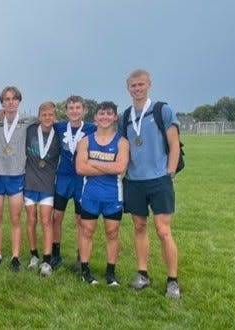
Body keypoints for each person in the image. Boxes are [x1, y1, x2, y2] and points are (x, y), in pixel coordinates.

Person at [119, 69, 181, 298]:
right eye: (133, 85)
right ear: (128, 87)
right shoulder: (124, 116)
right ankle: (142, 273)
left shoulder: (161, 110)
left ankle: (172, 280)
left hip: (159, 180)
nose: (137, 89)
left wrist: (169, 173)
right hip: (134, 181)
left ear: (149, 85)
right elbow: (124, 147)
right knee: (139, 227)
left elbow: (174, 145)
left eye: (141, 84)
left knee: (163, 231)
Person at [75, 101, 129, 286]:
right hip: (90, 194)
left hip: (112, 195)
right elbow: (81, 168)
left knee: (112, 233)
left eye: (109, 114)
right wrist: (109, 167)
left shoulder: (122, 142)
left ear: (115, 117)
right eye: (101, 113)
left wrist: (94, 162)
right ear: (95, 117)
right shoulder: (85, 141)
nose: (105, 117)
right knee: (86, 231)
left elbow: (120, 167)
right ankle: (85, 271)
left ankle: (110, 273)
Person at [0, 86, 35, 272]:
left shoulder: (28, 120)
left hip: (16, 175)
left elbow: (47, 120)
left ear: (19, 101)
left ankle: (15, 256)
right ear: (2, 102)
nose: (10, 102)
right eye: (6, 99)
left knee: (15, 218)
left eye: (14, 99)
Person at [51, 95, 96, 270]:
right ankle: (55, 254)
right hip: (63, 178)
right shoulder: (60, 126)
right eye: (71, 108)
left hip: (81, 180)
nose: (74, 111)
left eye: (78, 108)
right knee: (56, 217)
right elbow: (42, 120)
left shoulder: (92, 128)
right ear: (66, 110)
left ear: (84, 110)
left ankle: (80, 256)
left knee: (80, 220)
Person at [23, 101, 59, 276]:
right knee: (31, 219)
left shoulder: (58, 133)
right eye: (44, 115)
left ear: (55, 116)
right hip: (29, 183)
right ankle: (34, 255)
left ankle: (46, 260)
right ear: (39, 117)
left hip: (47, 184)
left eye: (51, 115)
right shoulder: (30, 130)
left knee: (46, 221)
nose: (47, 118)